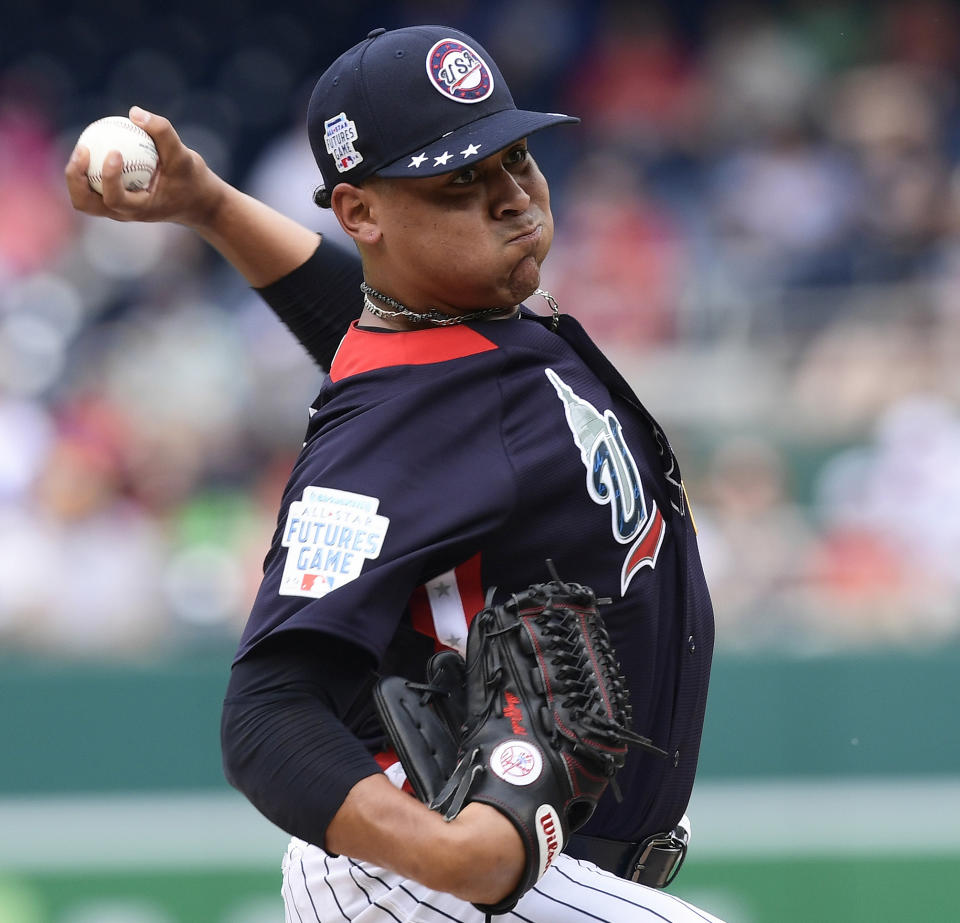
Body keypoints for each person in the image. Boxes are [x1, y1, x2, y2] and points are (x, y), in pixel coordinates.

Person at [66, 25, 722, 923]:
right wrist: (457, 859)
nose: (512, 197)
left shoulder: (446, 332)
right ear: (361, 212)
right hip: (428, 871)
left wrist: (211, 205)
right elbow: (265, 717)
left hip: (516, 872)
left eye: (515, 156)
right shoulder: (390, 425)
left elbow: (365, 317)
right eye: (460, 179)